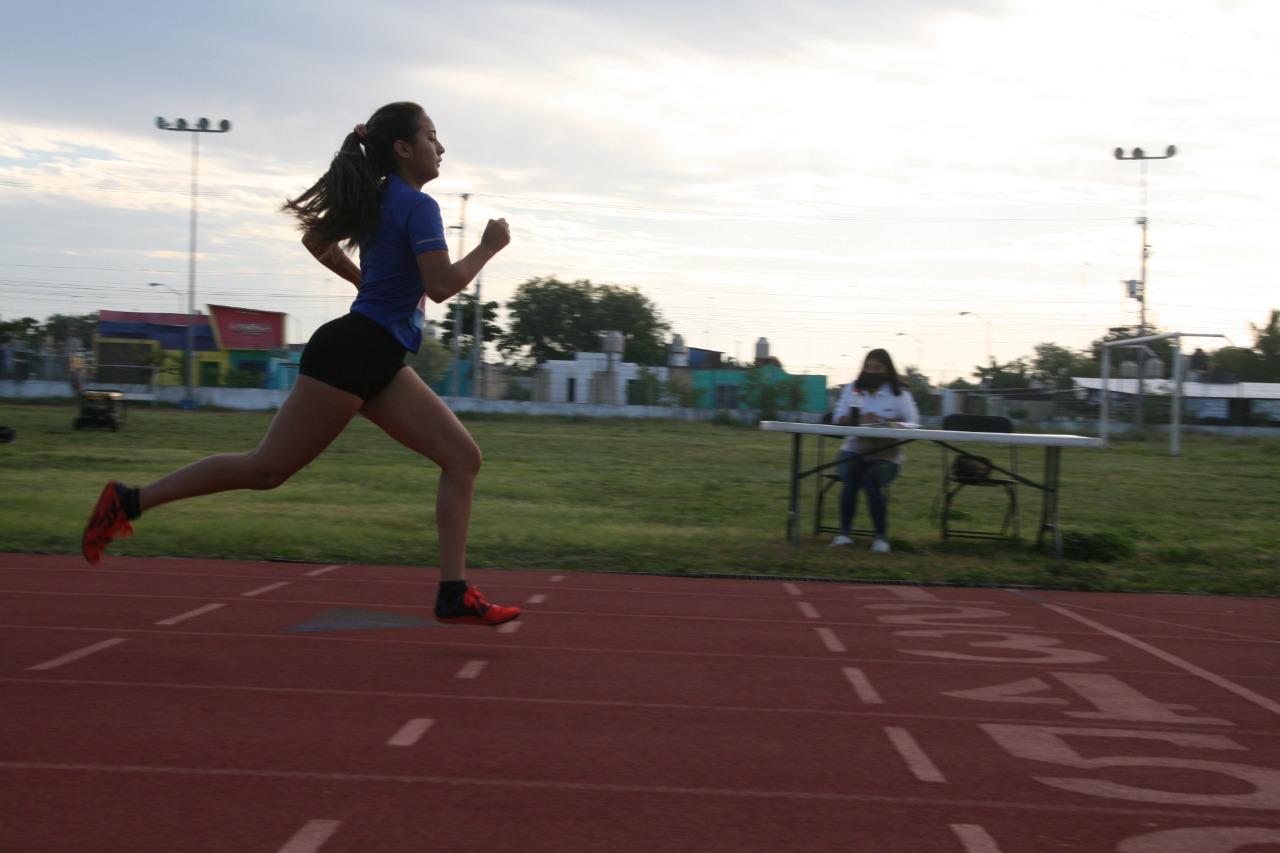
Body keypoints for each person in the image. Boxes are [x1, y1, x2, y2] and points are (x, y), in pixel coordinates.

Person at [82, 101, 519, 626]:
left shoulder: (381, 197)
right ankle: (126, 502)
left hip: (377, 355)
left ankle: (454, 591)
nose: (441, 147)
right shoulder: (417, 206)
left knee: (462, 458)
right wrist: (489, 247)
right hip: (355, 351)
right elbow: (442, 286)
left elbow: (317, 239)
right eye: (431, 136)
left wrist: (366, 284)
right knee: (265, 469)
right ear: (403, 149)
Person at [829, 348, 920, 553]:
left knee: (871, 478)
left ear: (887, 370)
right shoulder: (854, 390)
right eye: (868, 367)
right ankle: (844, 535)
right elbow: (839, 418)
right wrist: (860, 420)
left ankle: (881, 539)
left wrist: (882, 422)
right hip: (854, 448)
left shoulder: (899, 393)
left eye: (877, 368)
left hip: (887, 455)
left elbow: (913, 422)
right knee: (851, 472)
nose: (871, 371)